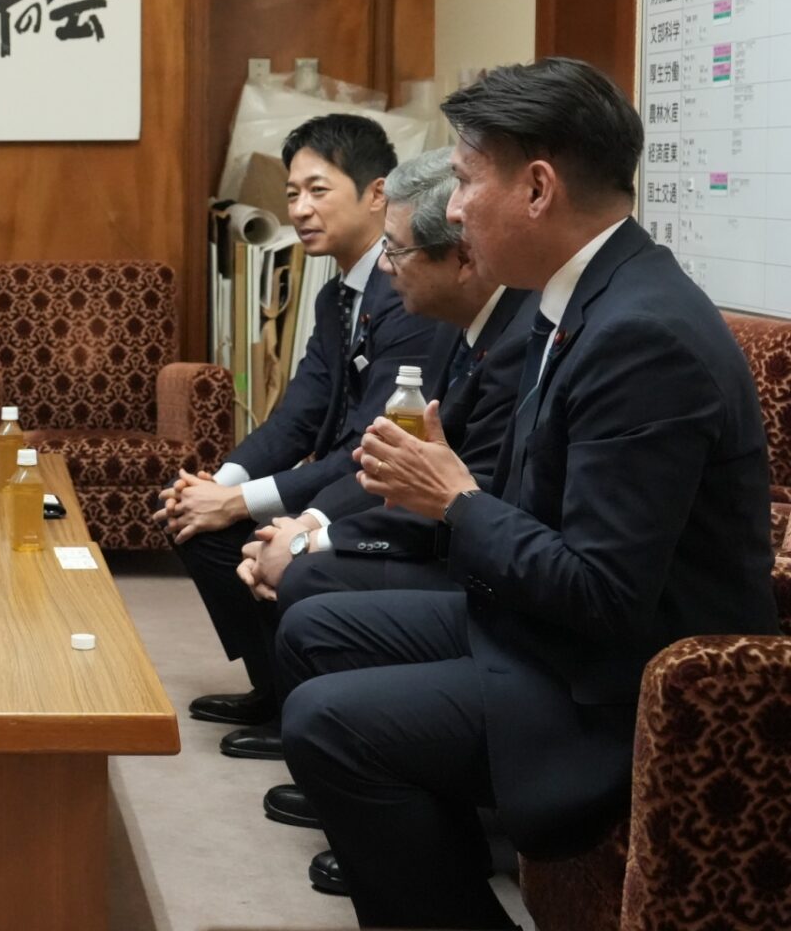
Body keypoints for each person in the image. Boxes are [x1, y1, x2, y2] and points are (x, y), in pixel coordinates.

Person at [276, 58, 778, 927]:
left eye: (469, 180)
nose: (455, 209)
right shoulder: (585, 295)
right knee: (317, 625)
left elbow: (605, 593)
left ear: (538, 188)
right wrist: (443, 490)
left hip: (616, 686)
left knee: (328, 722)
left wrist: (457, 500)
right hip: (542, 631)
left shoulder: (643, 334)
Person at [229, 146, 535, 831]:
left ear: (460, 256)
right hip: (446, 536)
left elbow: (464, 494)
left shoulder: (513, 338)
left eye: (396, 251)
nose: (387, 268)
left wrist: (310, 539)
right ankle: (336, 762)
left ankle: (368, 776)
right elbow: (377, 451)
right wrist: (305, 525)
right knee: (260, 548)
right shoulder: (458, 326)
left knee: (309, 579)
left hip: (477, 565)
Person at [155, 114, 434, 753]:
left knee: (236, 526)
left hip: (375, 495)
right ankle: (276, 686)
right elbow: (298, 417)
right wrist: (217, 484)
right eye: (292, 194)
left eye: (317, 190)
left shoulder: (409, 294)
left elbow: (370, 450)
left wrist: (243, 503)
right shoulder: (336, 296)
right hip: (338, 478)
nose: (300, 209)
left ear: (377, 193)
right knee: (191, 518)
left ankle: (300, 706)